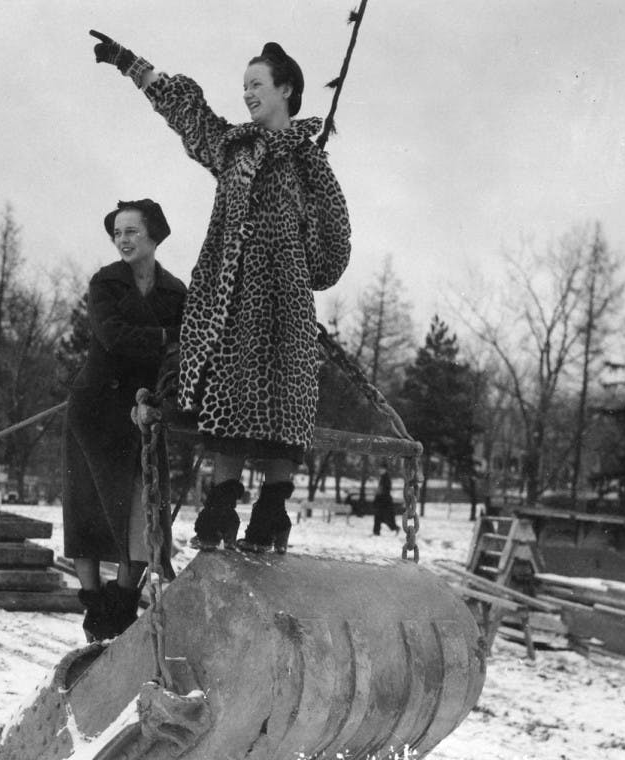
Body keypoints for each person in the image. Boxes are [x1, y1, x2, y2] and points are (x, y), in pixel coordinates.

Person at [89, 32, 352, 555]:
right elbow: (188, 113)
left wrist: (294, 266)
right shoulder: (233, 148)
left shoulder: (312, 166)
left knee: (281, 407)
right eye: (245, 85)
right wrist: (132, 64)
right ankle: (220, 508)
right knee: (228, 403)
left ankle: (272, 512)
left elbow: (333, 252)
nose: (248, 94)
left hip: (284, 312)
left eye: (257, 84)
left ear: (287, 90)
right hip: (228, 309)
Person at [63, 199, 187, 642]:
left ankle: (121, 601)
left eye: (131, 231)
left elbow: (184, 351)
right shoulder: (105, 283)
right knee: (89, 513)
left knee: (141, 511)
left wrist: (166, 349)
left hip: (144, 414)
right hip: (96, 410)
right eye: (117, 233)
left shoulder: (175, 292)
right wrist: (166, 338)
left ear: (154, 235)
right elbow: (111, 337)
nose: (123, 240)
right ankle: (95, 607)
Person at [373, 465, 398, 536]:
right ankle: (377, 532)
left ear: (385, 470)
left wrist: (379, 494)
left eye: (382, 469)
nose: (380, 470)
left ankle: (393, 528)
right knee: (380, 517)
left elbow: (386, 489)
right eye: (380, 469)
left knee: (381, 517)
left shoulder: (385, 478)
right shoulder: (383, 477)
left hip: (384, 501)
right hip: (383, 501)